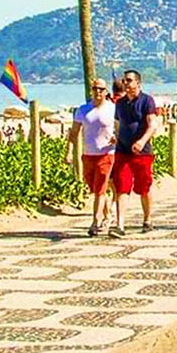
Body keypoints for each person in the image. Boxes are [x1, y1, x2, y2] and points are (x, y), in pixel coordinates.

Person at [111, 69, 158, 237]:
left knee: (144, 186)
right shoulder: (120, 103)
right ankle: (120, 224)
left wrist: (142, 141)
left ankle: (147, 219)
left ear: (138, 83)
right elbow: (117, 124)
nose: (126, 83)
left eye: (129, 80)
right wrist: (115, 137)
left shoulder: (147, 101)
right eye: (125, 81)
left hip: (142, 152)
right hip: (123, 151)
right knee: (122, 186)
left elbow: (152, 125)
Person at [72, 78, 116, 236]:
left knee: (100, 189)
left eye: (101, 89)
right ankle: (108, 215)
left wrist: (117, 138)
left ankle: (95, 222)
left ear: (106, 92)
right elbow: (74, 132)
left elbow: (120, 129)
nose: (98, 92)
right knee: (95, 188)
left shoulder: (113, 109)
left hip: (106, 154)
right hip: (88, 155)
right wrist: (69, 152)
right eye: (95, 88)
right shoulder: (83, 110)